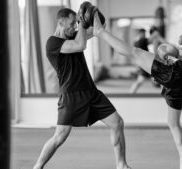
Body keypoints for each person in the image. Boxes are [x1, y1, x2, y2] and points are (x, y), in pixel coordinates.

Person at [93, 9, 182, 169]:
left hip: (174, 74)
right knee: (173, 123)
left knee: (135, 52)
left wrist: (174, 52)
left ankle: (100, 32)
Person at [33, 8, 131, 169]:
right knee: (60, 136)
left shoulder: (74, 34)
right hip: (71, 96)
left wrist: (93, 16)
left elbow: (98, 29)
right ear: (60, 22)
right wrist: (81, 23)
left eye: (75, 23)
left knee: (117, 123)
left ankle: (121, 164)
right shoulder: (52, 43)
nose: (74, 27)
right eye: (72, 24)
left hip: (91, 92)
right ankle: (37, 167)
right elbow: (80, 45)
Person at [129, 28, 159, 93]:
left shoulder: (135, 42)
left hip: (143, 64)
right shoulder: (142, 40)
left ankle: (131, 93)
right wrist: (155, 33)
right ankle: (131, 93)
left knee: (143, 80)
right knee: (141, 80)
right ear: (141, 33)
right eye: (144, 33)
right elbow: (151, 40)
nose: (145, 35)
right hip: (146, 64)